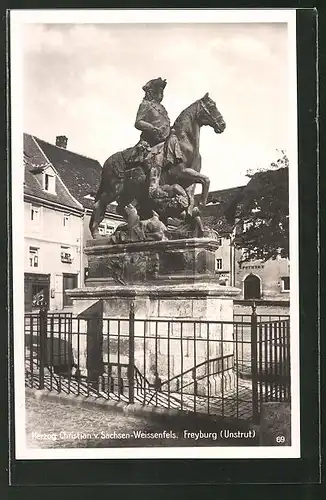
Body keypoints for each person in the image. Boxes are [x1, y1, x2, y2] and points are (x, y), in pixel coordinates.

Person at [130, 77, 184, 169]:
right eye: (159, 92)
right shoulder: (146, 104)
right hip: (151, 141)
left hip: (164, 140)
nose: (161, 95)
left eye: (162, 92)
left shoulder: (162, 108)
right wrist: (151, 127)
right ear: (152, 92)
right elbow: (138, 122)